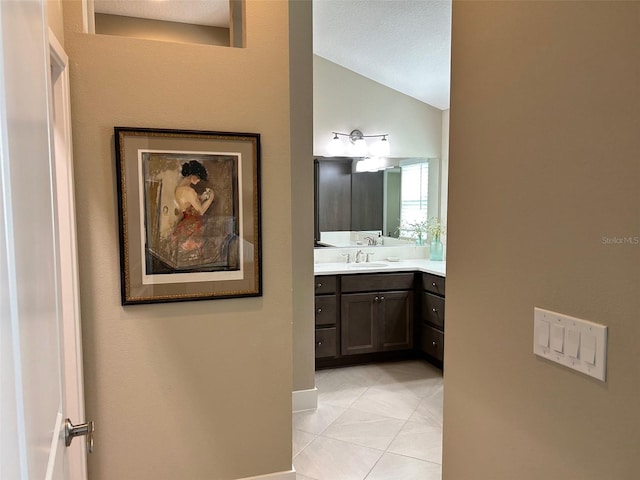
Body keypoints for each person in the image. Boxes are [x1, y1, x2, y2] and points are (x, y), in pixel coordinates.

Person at [171, 160, 214, 256]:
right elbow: (201, 211)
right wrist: (211, 198)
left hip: (184, 224)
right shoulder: (189, 191)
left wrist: (202, 198)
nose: (199, 181)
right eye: (198, 178)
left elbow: (190, 205)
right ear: (192, 176)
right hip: (192, 227)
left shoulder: (179, 189)